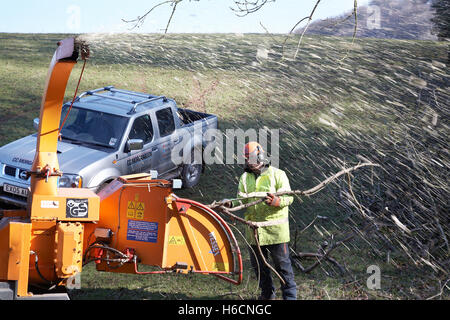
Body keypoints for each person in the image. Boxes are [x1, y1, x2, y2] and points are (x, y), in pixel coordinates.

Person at [223, 141, 297, 300]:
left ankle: (290, 297)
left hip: (276, 232)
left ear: (262, 157)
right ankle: (267, 296)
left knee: (283, 267)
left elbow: (289, 197)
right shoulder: (245, 178)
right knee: (260, 268)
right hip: (254, 232)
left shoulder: (278, 174)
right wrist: (231, 203)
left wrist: (278, 201)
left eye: (253, 159)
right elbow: (241, 199)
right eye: (248, 160)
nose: (251, 163)